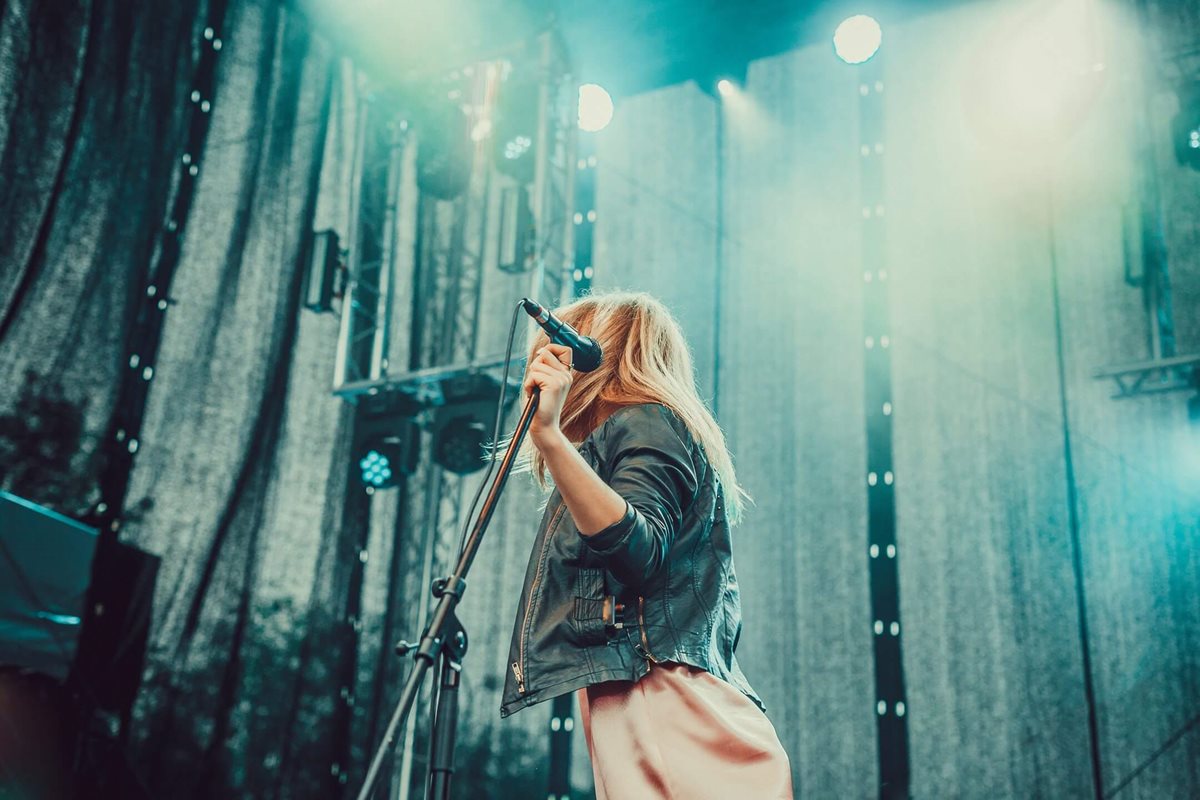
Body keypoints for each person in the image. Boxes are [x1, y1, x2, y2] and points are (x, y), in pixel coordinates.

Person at [500, 291, 793, 799]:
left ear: (592, 358)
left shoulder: (647, 421)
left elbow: (639, 550)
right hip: (667, 703)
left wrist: (549, 437)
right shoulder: (628, 441)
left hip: (669, 704)